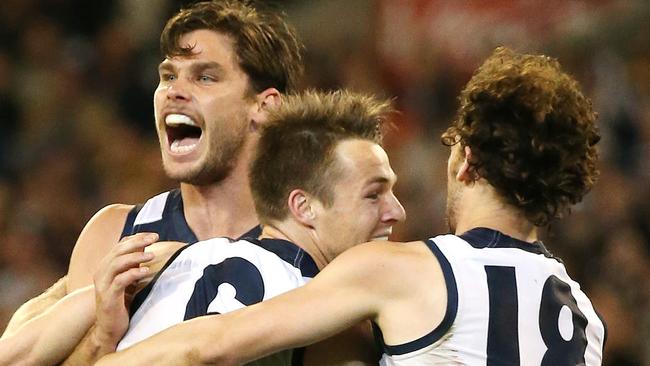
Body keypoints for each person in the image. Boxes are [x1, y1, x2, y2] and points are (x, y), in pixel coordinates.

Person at [97, 47, 607, 366]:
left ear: (466, 162)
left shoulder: (405, 271)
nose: (397, 211)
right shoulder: (587, 320)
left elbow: (207, 345)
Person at [1, 0, 301, 362]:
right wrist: (101, 337)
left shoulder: (306, 237)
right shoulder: (113, 233)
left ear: (265, 106)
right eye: (169, 76)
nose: (175, 90)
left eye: (205, 77)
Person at [96, 89, 405, 365]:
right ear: (304, 207)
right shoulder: (291, 287)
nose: (397, 211)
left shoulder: (173, 261)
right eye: (373, 195)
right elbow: (204, 352)